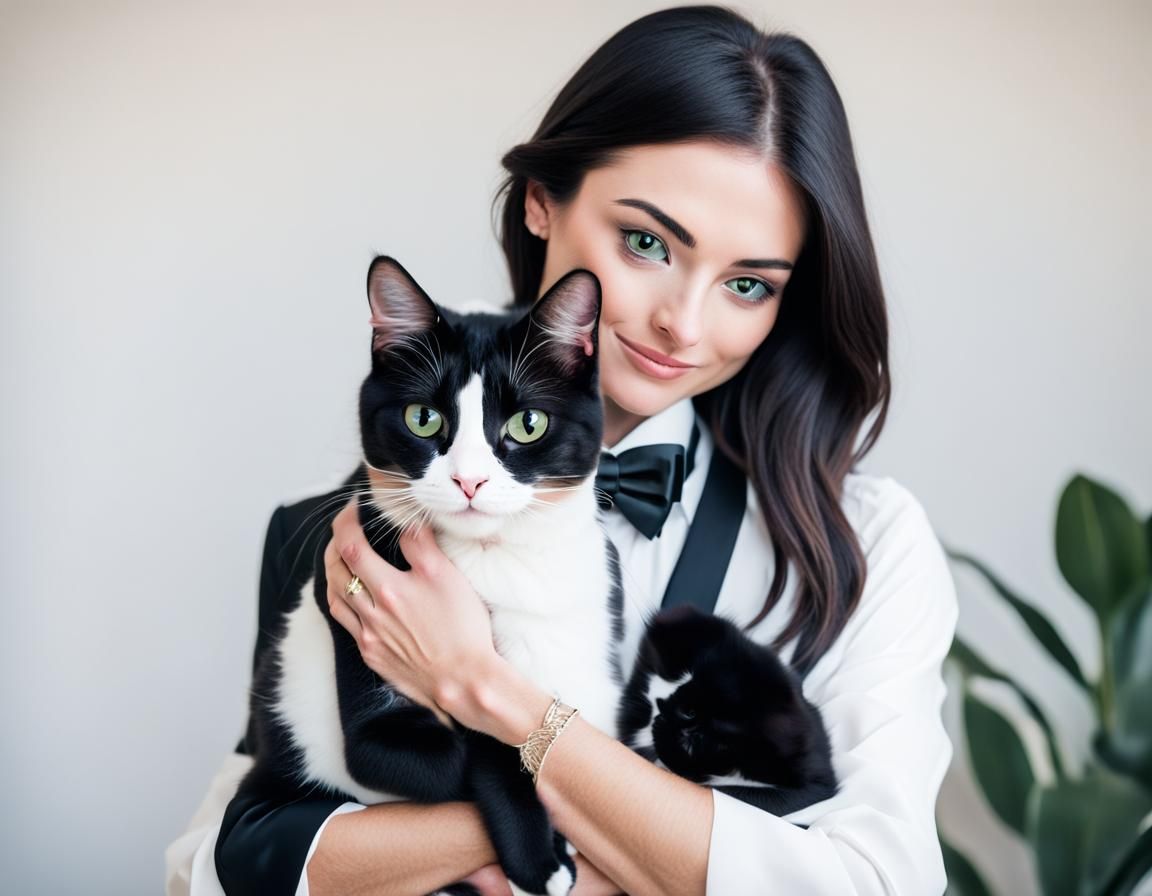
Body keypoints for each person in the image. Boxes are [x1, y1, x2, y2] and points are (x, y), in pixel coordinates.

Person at [165, 6, 958, 895]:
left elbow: (871, 882)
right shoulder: (339, 523)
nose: (682, 324)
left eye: (746, 284)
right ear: (542, 202)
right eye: (646, 243)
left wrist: (480, 690)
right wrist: (560, 827)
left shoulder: (864, 546)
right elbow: (220, 864)